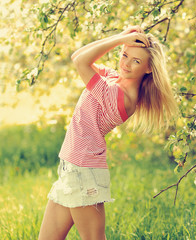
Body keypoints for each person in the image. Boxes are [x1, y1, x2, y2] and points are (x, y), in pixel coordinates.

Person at [38, 25, 178, 240]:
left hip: (85, 171)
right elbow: (78, 55)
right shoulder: (113, 78)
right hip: (71, 168)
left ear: (149, 69)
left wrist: (118, 41)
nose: (126, 63)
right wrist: (123, 37)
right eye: (124, 55)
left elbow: (80, 62)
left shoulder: (120, 97)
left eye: (136, 61)